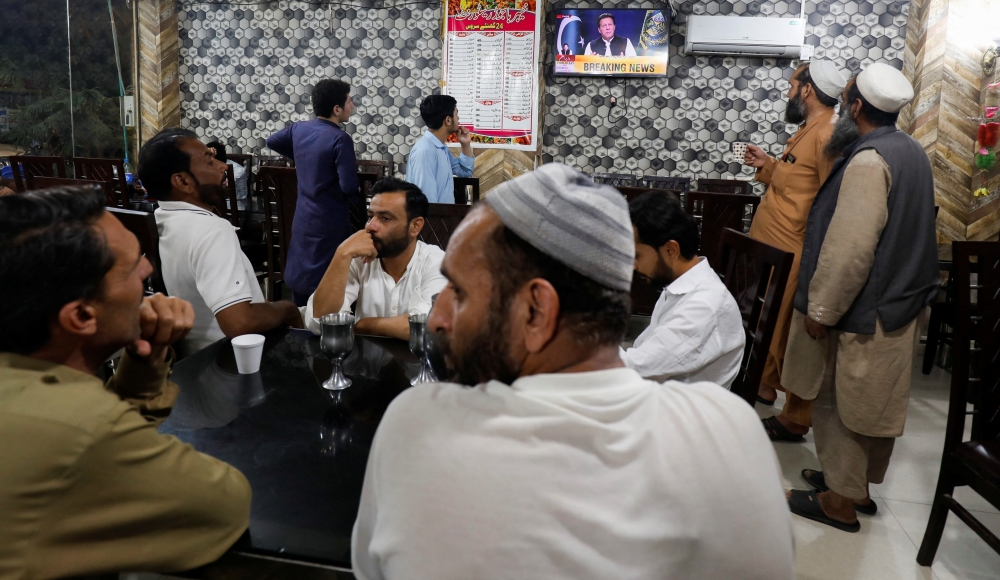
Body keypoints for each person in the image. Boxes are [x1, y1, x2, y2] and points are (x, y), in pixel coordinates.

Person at [351, 164, 795, 580]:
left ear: (536, 311)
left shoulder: (419, 424)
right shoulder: (728, 431)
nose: (436, 318)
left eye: (460, 292)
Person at [0, 186, 251, 578]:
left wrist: (145, 359)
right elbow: (223, 505)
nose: (149, 270)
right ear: (81, 316)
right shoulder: (77, 424)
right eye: (133, 266)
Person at [785, 63, 938, 532]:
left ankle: (839, 501)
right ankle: (852, 485)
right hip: (899, 302)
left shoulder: (869, 161)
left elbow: (851, 247)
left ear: (854, 107)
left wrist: (822, 309)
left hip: (865, 309)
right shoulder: (910, 150)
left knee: (842, 401)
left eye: (845, 100)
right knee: (874, 404)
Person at [743, 59, 847, 442]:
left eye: (791, 84)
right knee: (770, 326)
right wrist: (768, 164)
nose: (788, 91)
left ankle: (796, 416)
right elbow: (797, 183)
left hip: (795, 252)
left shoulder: (827, 135)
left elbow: (829, 198)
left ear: (807, 89)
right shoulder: (809, 130)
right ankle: (767, 386)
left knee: (788, 335)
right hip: (775, 251)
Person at [138, 128, 302, 354]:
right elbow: (239, 323)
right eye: (209, 162)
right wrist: (287, 309)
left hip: (190, 361)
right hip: (230, 363)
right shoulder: (212, 230)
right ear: (182, 181)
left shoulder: (163, 219)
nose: (223, 166)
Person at [621, 190, 745, 387]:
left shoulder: (703, 307)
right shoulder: (683, 283)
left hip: (681, 412)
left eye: (637, 255)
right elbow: (644, 352)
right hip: (663, 394)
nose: (633, 265)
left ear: (671, 250)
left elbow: (634, 370)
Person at [304, 178, 446, 341]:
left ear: (415, 226)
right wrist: (341, 254)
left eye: (385, 218)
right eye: (371, 216)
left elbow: (431, 326)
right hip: (364, 365)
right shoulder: (357, 258)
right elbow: (318, 324)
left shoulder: (437, 262)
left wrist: (366, 325)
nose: (371, 226)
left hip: (419, 363)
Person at [267, 79, 361, 304]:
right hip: (330, 219)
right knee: (329, 281)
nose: (353, 106)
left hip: (304, 217)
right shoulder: (340, 139)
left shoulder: (299, 129)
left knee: (304, 275)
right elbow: (349, 186)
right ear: (337, 109)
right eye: (349, 101)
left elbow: (272, 141)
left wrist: (304, 156)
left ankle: (300, 325)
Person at [405, 94, 475, 204]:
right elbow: (428, 204)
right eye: (456, 114)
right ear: (448, 120)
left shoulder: (440, 147)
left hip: (445, 218)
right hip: (436, 219)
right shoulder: (425, 152)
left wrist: (465, 144)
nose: (458, 118)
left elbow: (465, 173)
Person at [206, 140, 248, 211]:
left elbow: (216, 189)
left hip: (234, 207)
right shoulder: (207, 167)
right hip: (213, 205)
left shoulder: (237, 170)